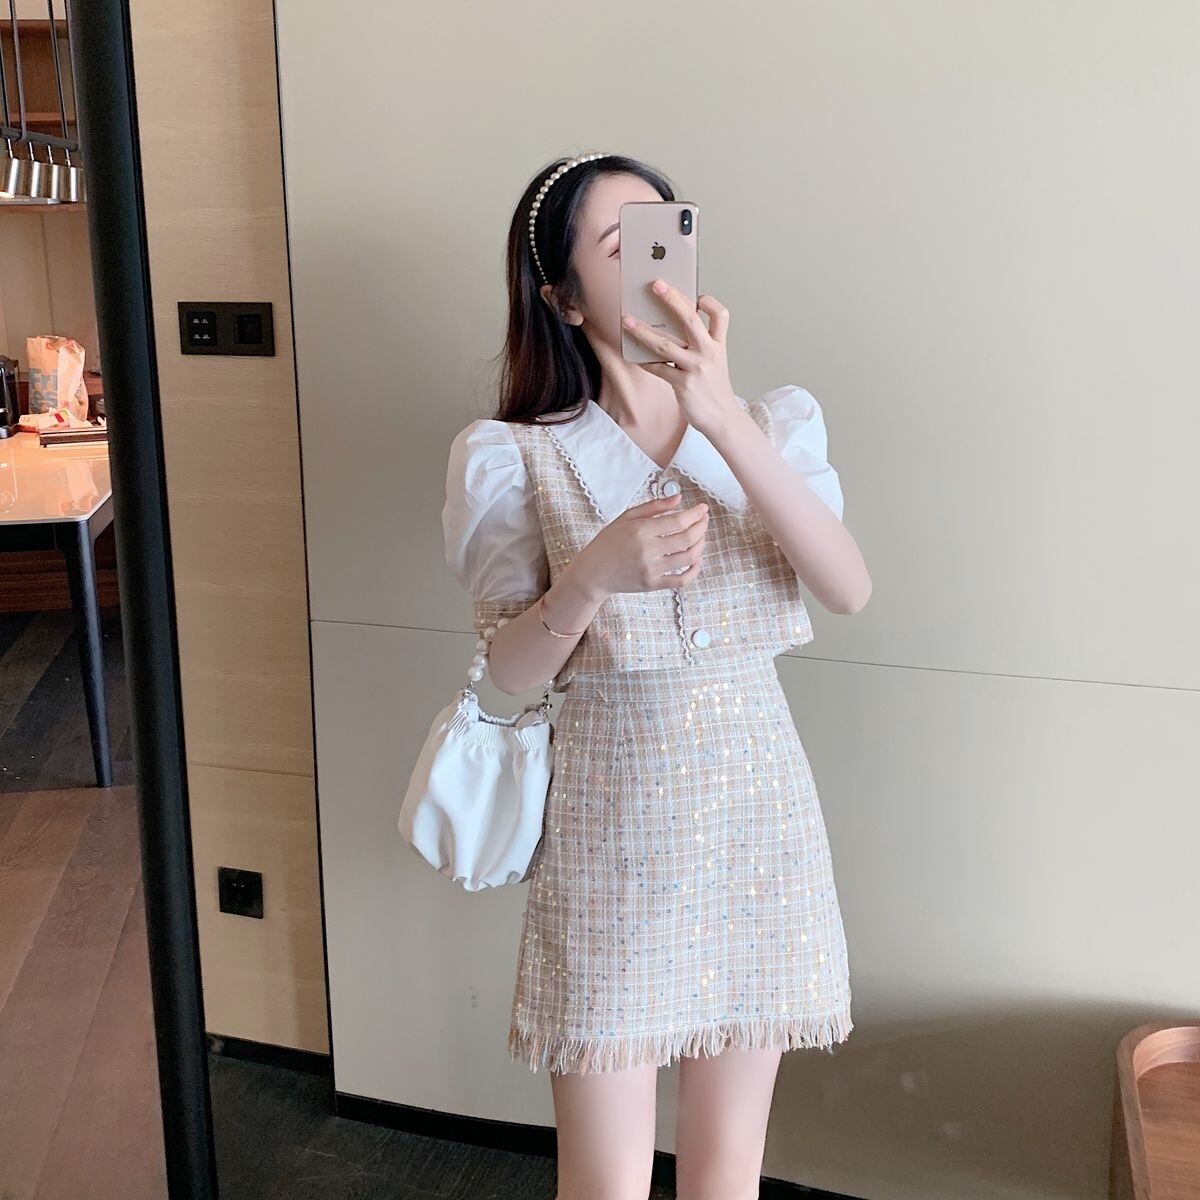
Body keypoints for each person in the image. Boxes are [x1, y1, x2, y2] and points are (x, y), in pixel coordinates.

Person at [441, 151, 872, 1200]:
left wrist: (720, 415)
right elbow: (507, 675)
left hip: (757, 823)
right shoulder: (513, 455)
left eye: (665, 228)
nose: (654, 258)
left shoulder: (772, 422)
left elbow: (848, 587)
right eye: (618, 242)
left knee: (727, 1177)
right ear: (563, 296)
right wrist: (592, 576)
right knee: (604, 1183)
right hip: (609, 832)